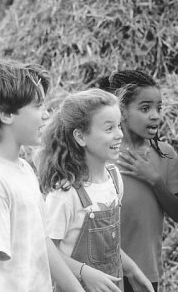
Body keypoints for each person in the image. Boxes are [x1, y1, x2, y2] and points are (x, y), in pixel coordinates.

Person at [0, 58, 85, 292]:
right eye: (37, 106)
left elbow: (42, 244)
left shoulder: (22, 169)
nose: (46, 115)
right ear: (6, 114)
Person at [35, 89, 154, 292]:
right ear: (81, 137)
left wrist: (132, 270)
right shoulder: (65, 194)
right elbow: (46, 253)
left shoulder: (115, 179)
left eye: (119, 126)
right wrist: (84, 272)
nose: (119, 134)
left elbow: (108, 247)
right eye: (109, 129)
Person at [101, 70, 178, 292]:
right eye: (145, 108)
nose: (155, 115)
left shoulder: (166, 155)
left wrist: (155, 180)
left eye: (159, 108)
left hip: (145, 270)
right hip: (101, 270)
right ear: (122, 112)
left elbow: (177, 213)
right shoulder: (102, 154)